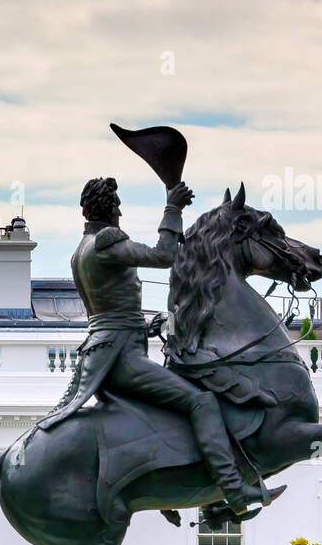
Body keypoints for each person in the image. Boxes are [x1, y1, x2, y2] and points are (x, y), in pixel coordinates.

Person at [38, 176, 276, 515]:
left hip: (106, 351)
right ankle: (234, 489)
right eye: (117, 205)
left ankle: (181, 488)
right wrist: (172, 208)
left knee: (171, 402)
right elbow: (164, 255)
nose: (120, 211)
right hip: (121, 358)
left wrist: (144, 326)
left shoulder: (81, 250)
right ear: (110, 208)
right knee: (201, 402)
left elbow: (109, 313)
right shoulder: (106, 241)